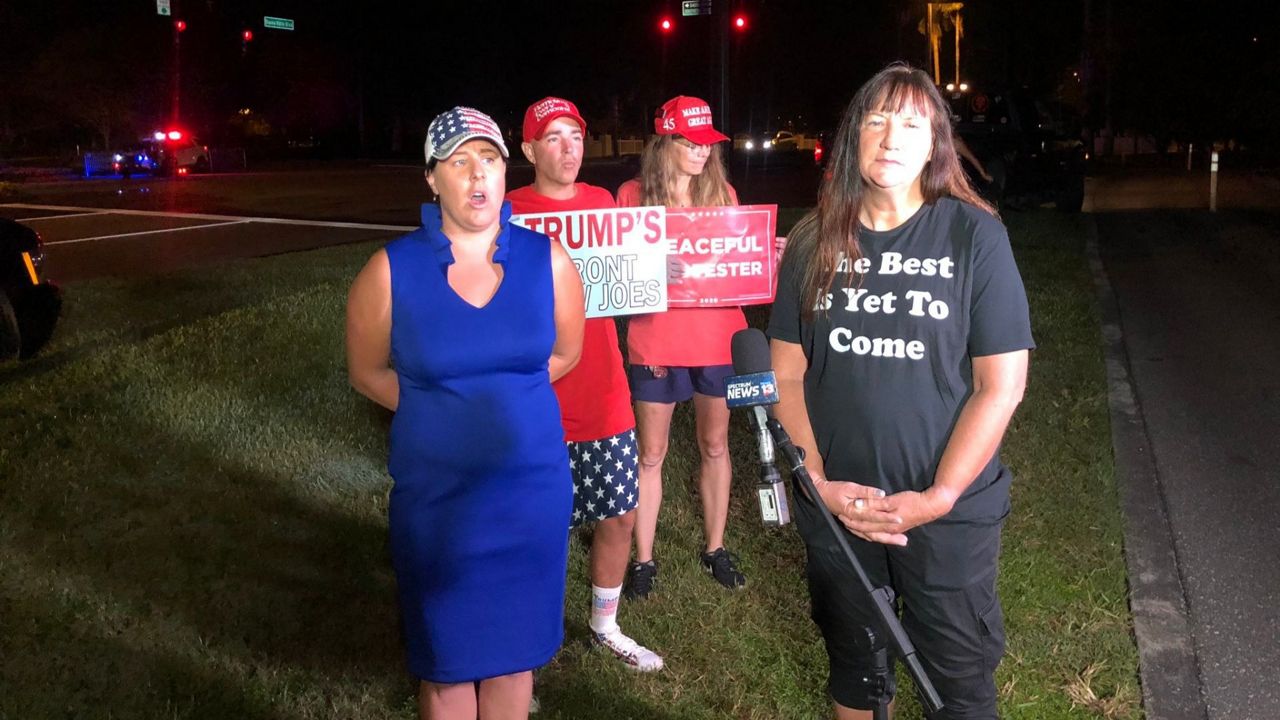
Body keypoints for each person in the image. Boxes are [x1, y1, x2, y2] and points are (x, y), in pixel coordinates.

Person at [767, 63, 1033, 720]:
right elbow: (787, 375)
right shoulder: (812, 240)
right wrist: (819, 486)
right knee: (855, 671)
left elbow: (1000, 386)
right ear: (854, 134)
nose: (891, 138)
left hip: (948, 514)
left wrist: (939, 496)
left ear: (935, 143)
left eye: (912, 123)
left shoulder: (975, 236)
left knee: (957, 684)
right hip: (839, 506)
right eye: (878, 119)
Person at [345, 106, 585, 720]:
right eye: (459, 162)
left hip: (530, 498)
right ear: (432, 178)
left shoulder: (549, 261)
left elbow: (563, 354)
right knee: (447, 669)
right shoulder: (388, 271)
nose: (478, 176)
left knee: (514, 662)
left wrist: (493, 399)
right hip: (440, 506)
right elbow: (367, 372)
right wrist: (440, 408)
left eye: (490, 160)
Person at [506, 96, 663, 672]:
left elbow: (646, 271)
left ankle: (604, 624)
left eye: (575, 135)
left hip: (603, 388)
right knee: (534, 526)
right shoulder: (506, 211)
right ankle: (527, 639)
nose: (568, 147)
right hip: (534, 394)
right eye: (553, 137)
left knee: (619, 514)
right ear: (528, 150)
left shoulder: (602, 205)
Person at [615, 96, 747, 598]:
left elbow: (738, 265)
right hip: (656, 340)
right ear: (664, 142)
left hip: (717, 338)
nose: (700, 152)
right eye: (689, 142)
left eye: (706, 143)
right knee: (651, 453)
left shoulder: (724, 193)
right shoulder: (631, 196)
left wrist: (764, 258)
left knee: (715, 444)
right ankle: (644, 559)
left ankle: (715, 547)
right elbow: (618, 273)